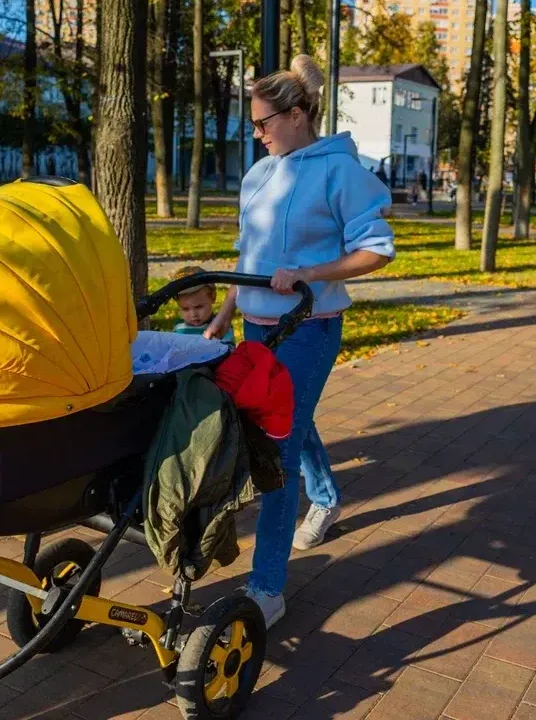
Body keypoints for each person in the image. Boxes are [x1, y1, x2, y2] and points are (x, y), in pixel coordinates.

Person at [204, 54, 394, 628]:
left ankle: (267, 589)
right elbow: (250, 256)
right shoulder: (259, 174)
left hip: (309, 327)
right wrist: (224, 314)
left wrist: (310, 273)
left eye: (262, 123)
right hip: (256, 323)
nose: (255, 133)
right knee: (289, 415)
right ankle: (329, 496)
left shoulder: (342, 171)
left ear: (296, 115)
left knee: (276, 451)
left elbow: (377, 249)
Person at [169, 265, 235, 346]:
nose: (193, 314)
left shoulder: (222, 325)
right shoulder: (179, 328)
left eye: (199, 307)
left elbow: (230, 352)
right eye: (185, 309)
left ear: (213, 297)